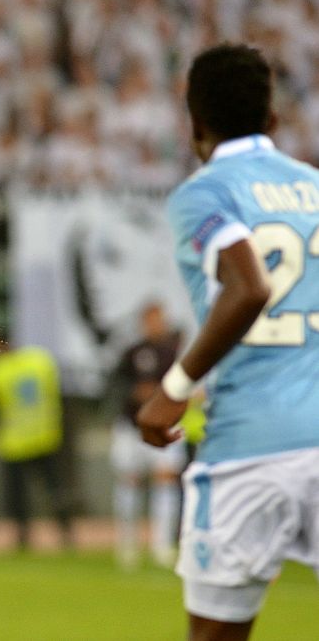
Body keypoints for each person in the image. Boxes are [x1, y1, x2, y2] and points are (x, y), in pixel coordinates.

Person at [137, 43, 319, 641]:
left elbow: (248, 286)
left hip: (250, 447)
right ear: (273, 119)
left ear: (194, 124)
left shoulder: (204, 191)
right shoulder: (315, 187)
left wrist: (175, 388)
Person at [108, 302, 186, 570]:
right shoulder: (132, 352)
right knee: (129, 482)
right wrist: (134, 392)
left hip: (165, 426)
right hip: (131, 426)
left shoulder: (176, 352)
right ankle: (127, 544)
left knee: (165, 481)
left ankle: (162, 545)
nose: (154, 325)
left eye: (158, 319)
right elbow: (115, 385)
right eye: (149, 320)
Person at [0, 345, 74, 551]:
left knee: (18, 494)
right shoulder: (39, 361)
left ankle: (23, 535)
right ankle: (65, 531)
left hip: (14, 441)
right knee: (53, 489)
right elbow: (57, 394)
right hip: (44, 436)